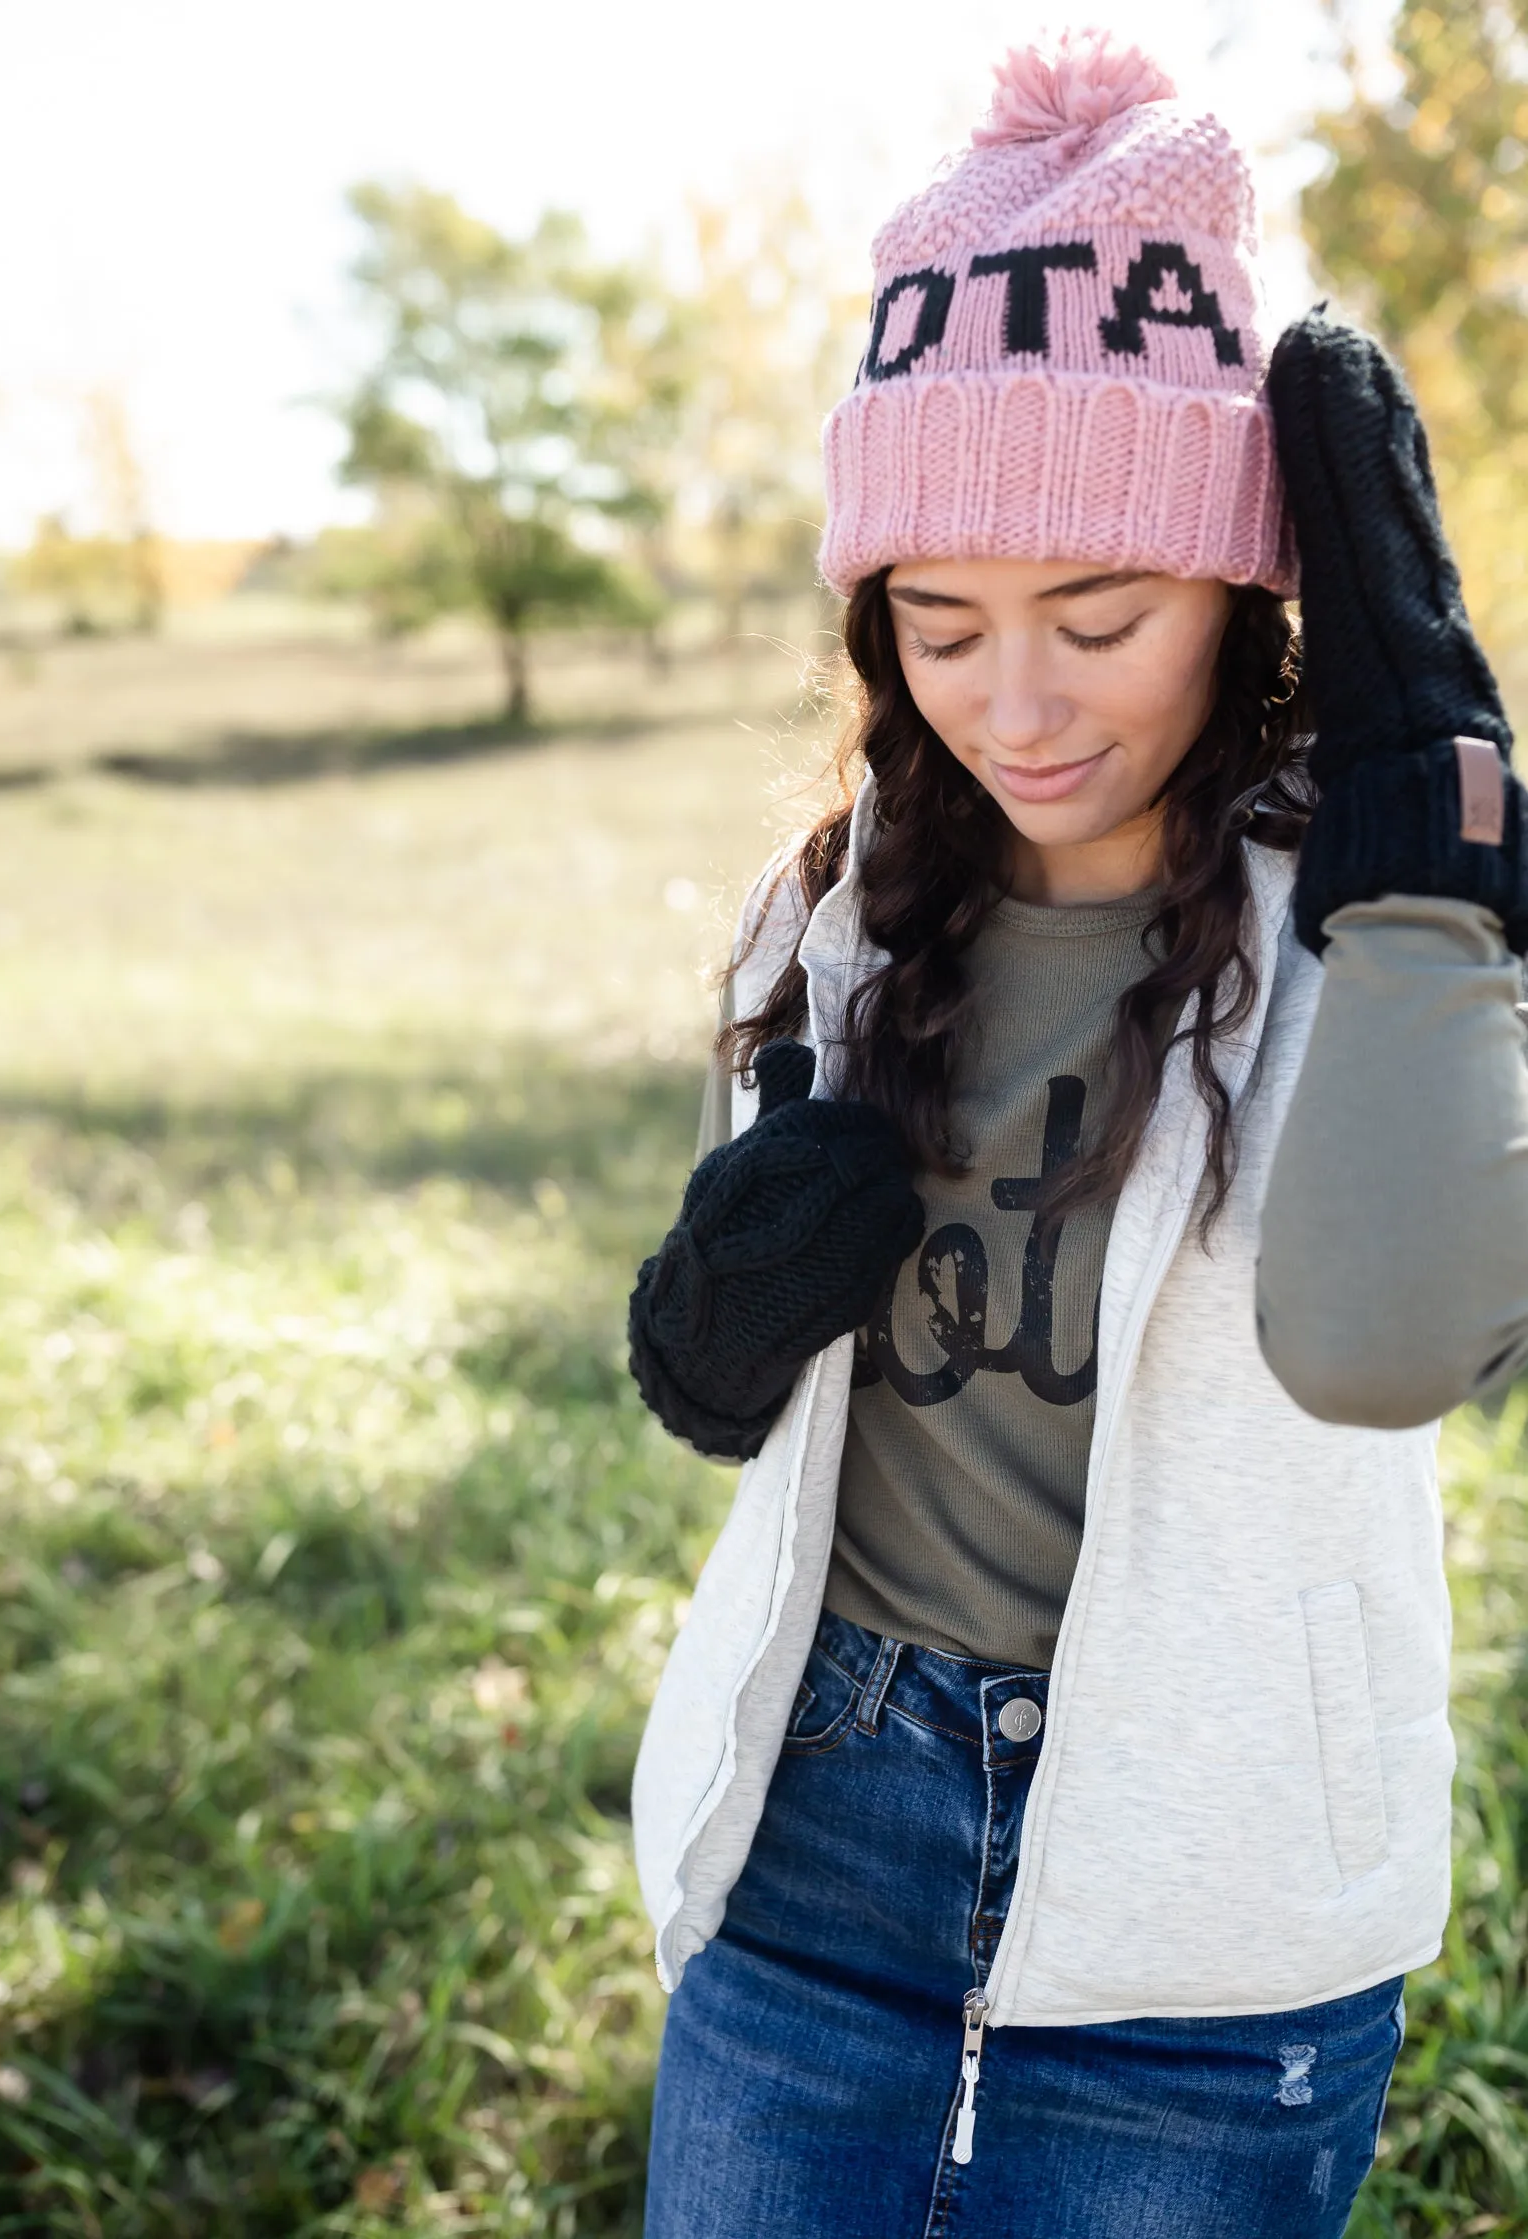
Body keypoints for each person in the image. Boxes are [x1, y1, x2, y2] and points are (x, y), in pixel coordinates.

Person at [626, 29, 1528, 2239]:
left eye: (1098, 615)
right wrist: (705, 1329)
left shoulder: (1379, 920)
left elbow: (1389, 1343)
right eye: (937, 625)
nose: (1012, 704)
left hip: (1205, 1893)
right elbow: (738, 1387)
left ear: (1242, 585)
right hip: (819, 1841)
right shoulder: (830, 915)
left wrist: (1437, 877)